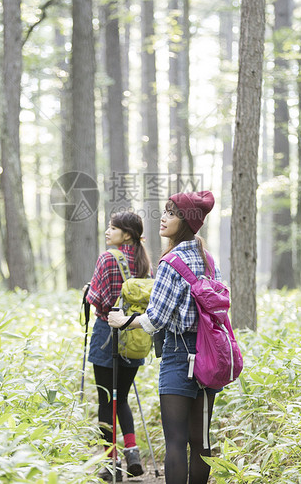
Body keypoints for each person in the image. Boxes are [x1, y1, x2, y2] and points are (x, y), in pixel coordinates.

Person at [108, 190, 219, 484]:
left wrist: (123, 320)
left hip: (179, 356)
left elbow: (155, 319)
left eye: (172, 213)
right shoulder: (208, 260)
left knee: (175, 441)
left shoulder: (171, 262)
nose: (164, 217)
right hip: (209, 355)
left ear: (185, 222)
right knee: (201, 442)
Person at [85, 211, 152, 481]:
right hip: (134, 335)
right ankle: (132, 451)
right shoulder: (144, 261)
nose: (107, 231)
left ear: (126, 233)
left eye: (112, 228)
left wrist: (88, 290)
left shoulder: (107, 258)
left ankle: (111, 464)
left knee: (106, 400)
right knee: (121, 398)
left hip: (105, 334)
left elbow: (97, 299)